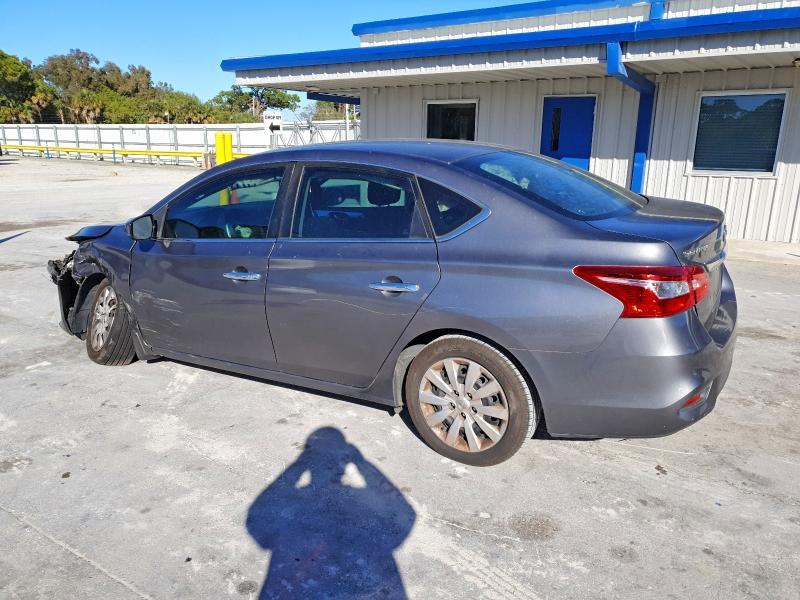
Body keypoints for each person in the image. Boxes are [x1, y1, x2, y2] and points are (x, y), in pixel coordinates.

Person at [246, 427, 416, 600]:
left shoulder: (303, 501)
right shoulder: (358, 501)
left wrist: (301, 463)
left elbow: (256, 519)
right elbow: (404, 513)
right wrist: (361, 463)